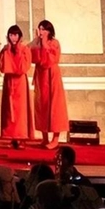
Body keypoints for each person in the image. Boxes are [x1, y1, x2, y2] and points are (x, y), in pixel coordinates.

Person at [30, 20, 68, 149]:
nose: (41, 32)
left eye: (43, 29)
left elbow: (52, 58)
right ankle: (44, 137)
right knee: (41, 105)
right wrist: (37, 41)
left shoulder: (54, 43)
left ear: (49, 31)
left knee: (55, 106)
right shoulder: (37, 42)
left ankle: (55, 138)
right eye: (40, 29)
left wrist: (45, 42)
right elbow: (29, 53)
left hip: (51, 75)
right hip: (41, 75)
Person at [0, 25, 33, 149]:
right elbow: (2, 67)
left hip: (20, 83)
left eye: (16, 35)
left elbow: (23, 67)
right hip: (9, 81)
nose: (14, 37)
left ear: (20, 36)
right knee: (9, 110)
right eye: (11, 35)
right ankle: (11, 137)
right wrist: (7, 51)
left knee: (21, 111)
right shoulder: (5, 49)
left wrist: (17, 51)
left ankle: (21, 137)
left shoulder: (24, 49)